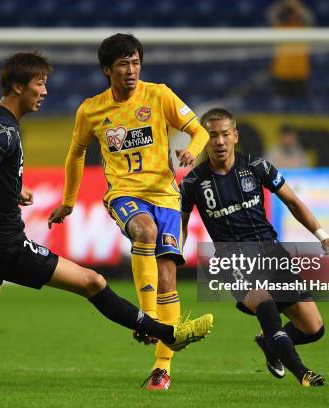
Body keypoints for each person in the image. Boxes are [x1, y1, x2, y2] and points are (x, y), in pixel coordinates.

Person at [0, 52, 213, 390]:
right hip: (4, 243)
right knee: (92, 282)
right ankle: (169, 333)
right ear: (19, 87)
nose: (45, 92)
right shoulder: (6, 131)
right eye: (40, 84)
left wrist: (12, 191)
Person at [48, 33, 210, 390]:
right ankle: (147, 316)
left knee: (168, 276)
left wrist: (192, 150)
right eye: (123, 64)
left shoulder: (159, 94)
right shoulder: (91, 110)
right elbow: (75, 154)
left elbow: (199, 131)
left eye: (136, 62)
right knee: (144, 231)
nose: (131, 70)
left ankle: (161, 368)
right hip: (124, 193)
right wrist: (69, 201)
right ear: (108, 69)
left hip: (166, 196)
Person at [180, 108, 329, 387]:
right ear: (203, 140)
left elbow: (293, 202)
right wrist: (175, 253)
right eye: (212, 136)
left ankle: (268, 342)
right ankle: (303, 373)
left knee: (313, 328)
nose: (219, 142)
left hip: (272, 253)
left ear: (236, 136)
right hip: (233, 260)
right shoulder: (193, 183)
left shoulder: (257, 167)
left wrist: (323, 236)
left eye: (225, 134)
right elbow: (181, 223)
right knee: (265, 303)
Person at [267, 0, 314, 98]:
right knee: (280, 104)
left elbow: (309, 18)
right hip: (282, 73)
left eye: (294, 14)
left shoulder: (302, 29)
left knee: (300, 105)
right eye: (289, 13)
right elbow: (271, 14)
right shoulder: (281, 28)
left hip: (299, 73)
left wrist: (295, 5)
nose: (292, 16)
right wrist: (285, 3)